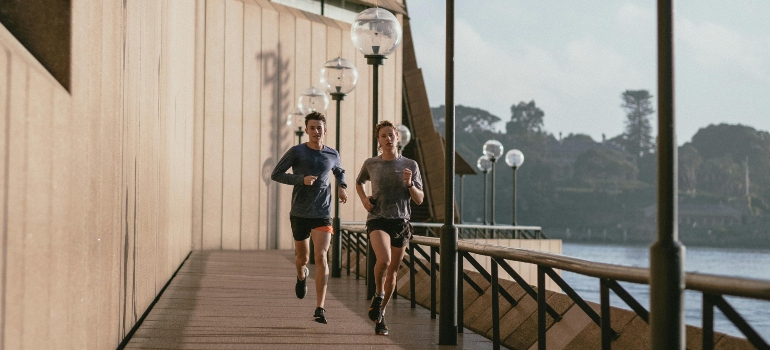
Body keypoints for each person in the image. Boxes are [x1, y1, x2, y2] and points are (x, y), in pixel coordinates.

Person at [271, 111, 347, 324]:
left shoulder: (332, 154)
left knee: (321, 257)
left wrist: (342, 187)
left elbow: (339, 171)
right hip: (300, 212)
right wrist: (300, 180)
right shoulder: (297, 152)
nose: (316, 131)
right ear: (306, 130)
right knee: (302, 258)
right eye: (312, 128)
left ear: (325, 130)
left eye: (319, 128)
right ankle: (301, 275)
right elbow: (276, 174)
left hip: (323, 213)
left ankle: (320, 308)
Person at [355, 120, 424, 336]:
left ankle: (381, 314)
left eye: (391, 135)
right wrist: (365, 200)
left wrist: (410, 184)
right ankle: (377, 294)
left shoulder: (410, 165)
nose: (388, 139)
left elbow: (420, 200)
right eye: (383, 136)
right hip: (378, 219)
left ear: (397, 138)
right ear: (378, 140)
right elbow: (359, 182)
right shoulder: (371, 164)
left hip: (401, 222)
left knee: (392, 271)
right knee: (383, 260)